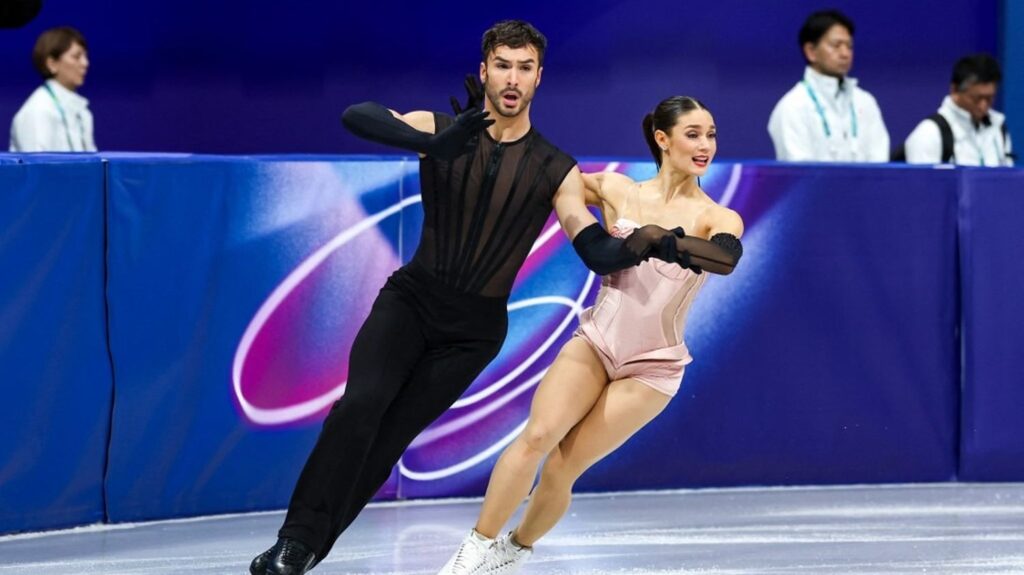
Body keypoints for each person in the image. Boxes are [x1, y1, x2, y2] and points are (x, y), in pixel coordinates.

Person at [250, 20, 694, 575]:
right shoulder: (440, 127)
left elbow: (595, 249)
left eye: (524, 67)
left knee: (388, 439)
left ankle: (306, 549)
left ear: (538, 78)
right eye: (503, 65)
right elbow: (357, 115)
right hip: (410, 302)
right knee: (359, 408)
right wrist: (428, 143)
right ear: (485, 70)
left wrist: (647, 245)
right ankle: (297, 542)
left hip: (474, 331)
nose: (512, 78)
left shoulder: (557, 170)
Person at [436, 96, 744, 575]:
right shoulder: (617, 188)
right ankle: (473, 549)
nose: (706, 145)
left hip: (652, 367)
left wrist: (667, 240)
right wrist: (488, 137)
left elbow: (725, 258)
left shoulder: (715, 216)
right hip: (596, 342)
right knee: (538, 435)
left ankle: (515, 549)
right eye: (693, 134)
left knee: (562, 466)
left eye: (711, 134)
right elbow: (543, 176)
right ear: (663, 140)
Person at [767, 9, 889, 162]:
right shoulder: (793, 106)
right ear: (811, 51)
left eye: (849, 46)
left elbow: (879, 167)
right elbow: (799, 174)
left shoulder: (865, 102)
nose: (845, 53)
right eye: (836, 45)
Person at [902, 54, 1014, 166]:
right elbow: (920, 182)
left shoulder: (998, 127)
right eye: (976, 98)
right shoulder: (929, 134)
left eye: (989, 98)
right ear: (954, 90)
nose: (983, 105)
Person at [9, 25, 96, 152]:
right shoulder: (38, 110)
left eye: (85, 57)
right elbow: (37, 169)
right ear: (52, 64)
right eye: (76, 57)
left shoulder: (82, 112)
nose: (85, 63)